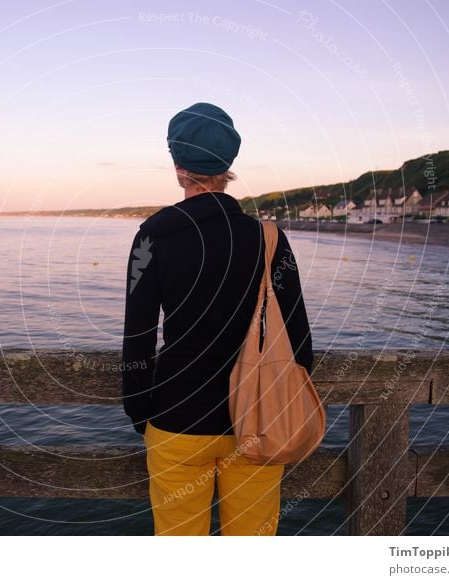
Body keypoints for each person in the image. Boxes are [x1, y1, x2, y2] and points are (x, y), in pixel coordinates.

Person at [121, 102, 313, 536]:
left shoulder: (154, 235)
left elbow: (138, 338)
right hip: (257, 420)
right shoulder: (268, 238)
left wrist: (141, 413)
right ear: (228, 164)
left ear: (177, 165)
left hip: (176, 418)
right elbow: (299, 340)